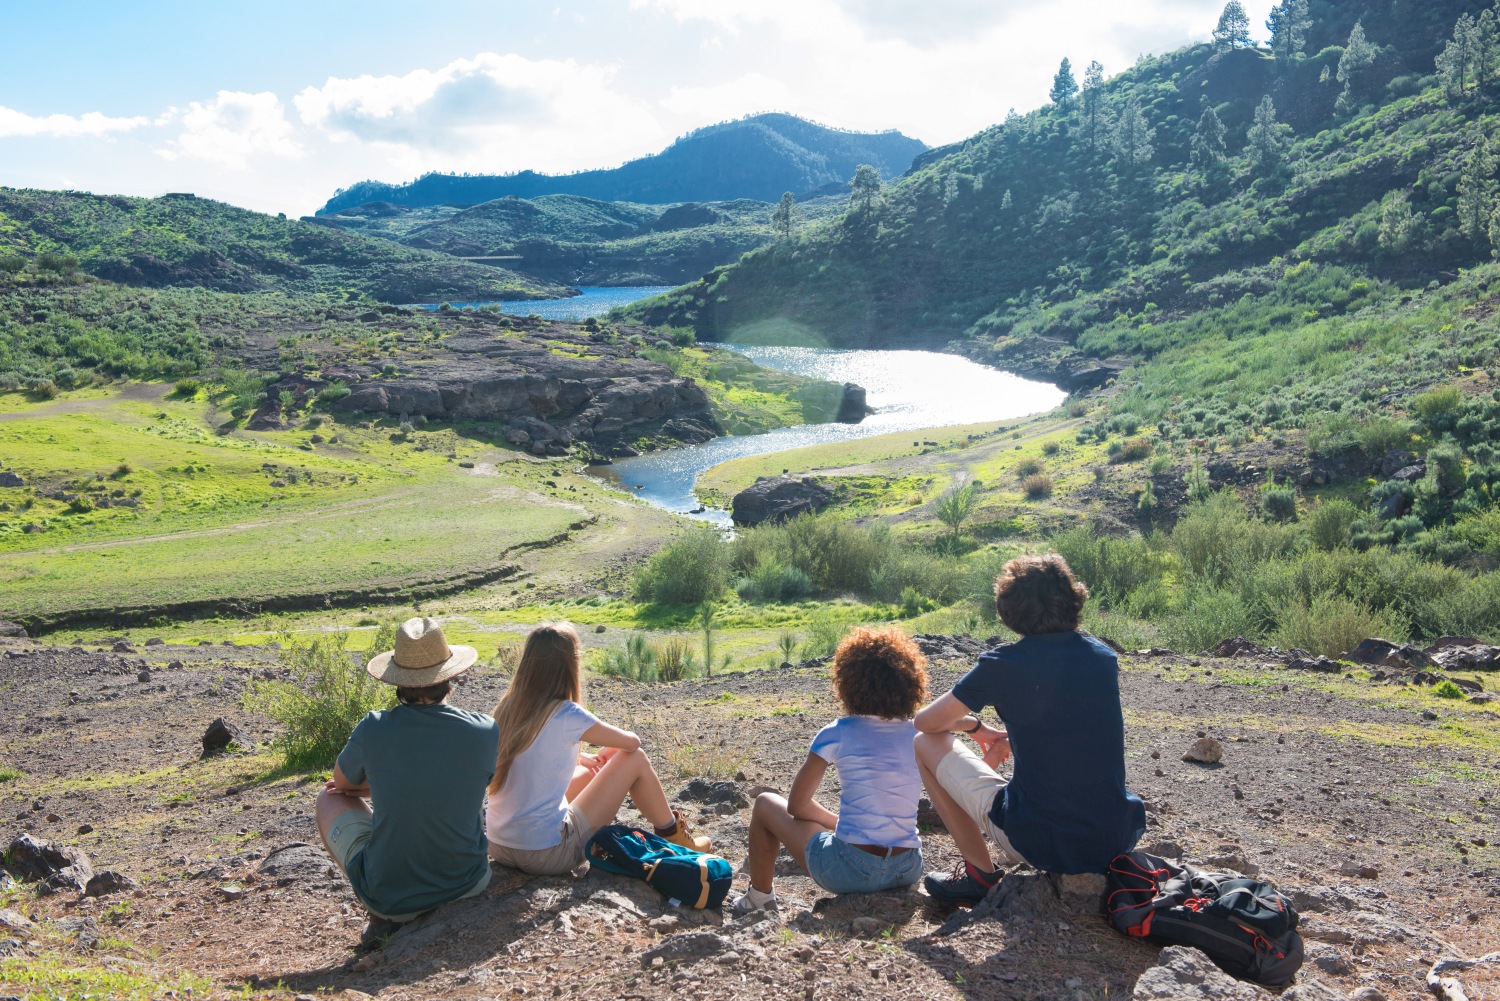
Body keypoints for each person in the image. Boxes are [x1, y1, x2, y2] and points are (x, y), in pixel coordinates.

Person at [914, 554, 1146, 906]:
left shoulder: (1003, 665)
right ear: (1073, 599)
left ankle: (979, 873)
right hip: (1113, 837)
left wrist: (974, 726)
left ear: (1009, 610)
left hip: (1039, 840)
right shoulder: (1102, 657)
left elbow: (926, 722)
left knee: (922, 743)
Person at [485, 622, 710, 875]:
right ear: (570, 666)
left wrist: (582, 757)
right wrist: (610, 750)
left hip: (499, 846)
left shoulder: (507, 709)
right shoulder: (566, 713)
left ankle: (673, 836)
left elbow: (533, 757)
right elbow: (633, 743)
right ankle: (675, 837)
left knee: (585, 774)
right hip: (546, 856)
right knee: (634, 759)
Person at [316, 617, 500, 925]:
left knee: (328, 796)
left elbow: (341, 783)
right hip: (469, 883)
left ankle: (379, 913)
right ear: (449, 677)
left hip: (392, 900)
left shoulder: (374, 727)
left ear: (398, 681)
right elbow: (461, 780)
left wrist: (369, 787)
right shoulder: (485, 729)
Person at [734, 626, 929, 915]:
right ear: (910, 681)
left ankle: (759, 897)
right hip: (908, 867)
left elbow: (797, 806)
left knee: (764, 804)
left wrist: (835, 822)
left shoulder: (838, 732)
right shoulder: (918, 734)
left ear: (848, 682)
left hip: (852, 870)